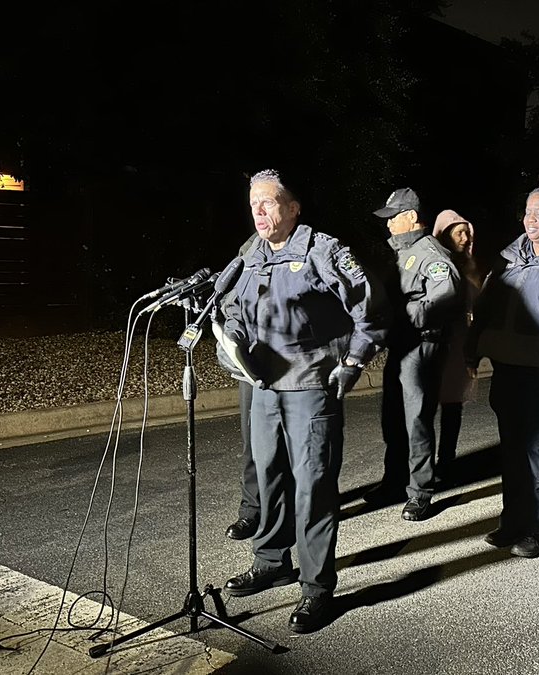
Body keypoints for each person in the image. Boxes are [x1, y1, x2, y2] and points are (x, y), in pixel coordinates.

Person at [217, 169, 388, 633]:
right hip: (263, 386)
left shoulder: (323, 251)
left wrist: (352, 363)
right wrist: (230, 337)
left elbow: (369, 312)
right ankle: (272, 560)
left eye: (269, 202)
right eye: (253, 202)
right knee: (267, 475)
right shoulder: (249, 253)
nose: (259, 210)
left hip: (311, 385)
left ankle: (317, 588)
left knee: (312, 486)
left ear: (293, 208)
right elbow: (233, 307)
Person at [466, 173, 539, 559]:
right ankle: (513, 520)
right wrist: (472, 349)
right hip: (507, 367)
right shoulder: (510, 256)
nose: (530, 220)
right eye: (527, 212)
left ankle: (536, 528)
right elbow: (484, 307)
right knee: (514, 449)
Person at [364, 188, 462, 521]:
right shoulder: (402, 252)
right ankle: (394, 481)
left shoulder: (428, 251)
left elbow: (447, 290)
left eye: (394, 217)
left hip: (421, 344)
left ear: (411, 216)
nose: (389, 224)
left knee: (416, 420)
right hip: (401, 344)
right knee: (392, 418)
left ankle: (420, 491)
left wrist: (412, 314)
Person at [431, 209, 484, 478]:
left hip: (461, 344)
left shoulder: (471, 265)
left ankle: (446, 460)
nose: (464, 238)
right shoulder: (436, 263)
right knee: (427, 405)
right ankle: (422, 463)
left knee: (452, 406)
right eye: (459, 232)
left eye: (467, 232)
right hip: (438, 342)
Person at [217, 234, 260, 542]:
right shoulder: (251, 247)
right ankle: (252, 511)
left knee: (296, 449)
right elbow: (232, 300)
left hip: (292, 370)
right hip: (251, 368)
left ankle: (301, 509)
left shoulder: (312, 247)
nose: (259, 210)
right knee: (253, 445)